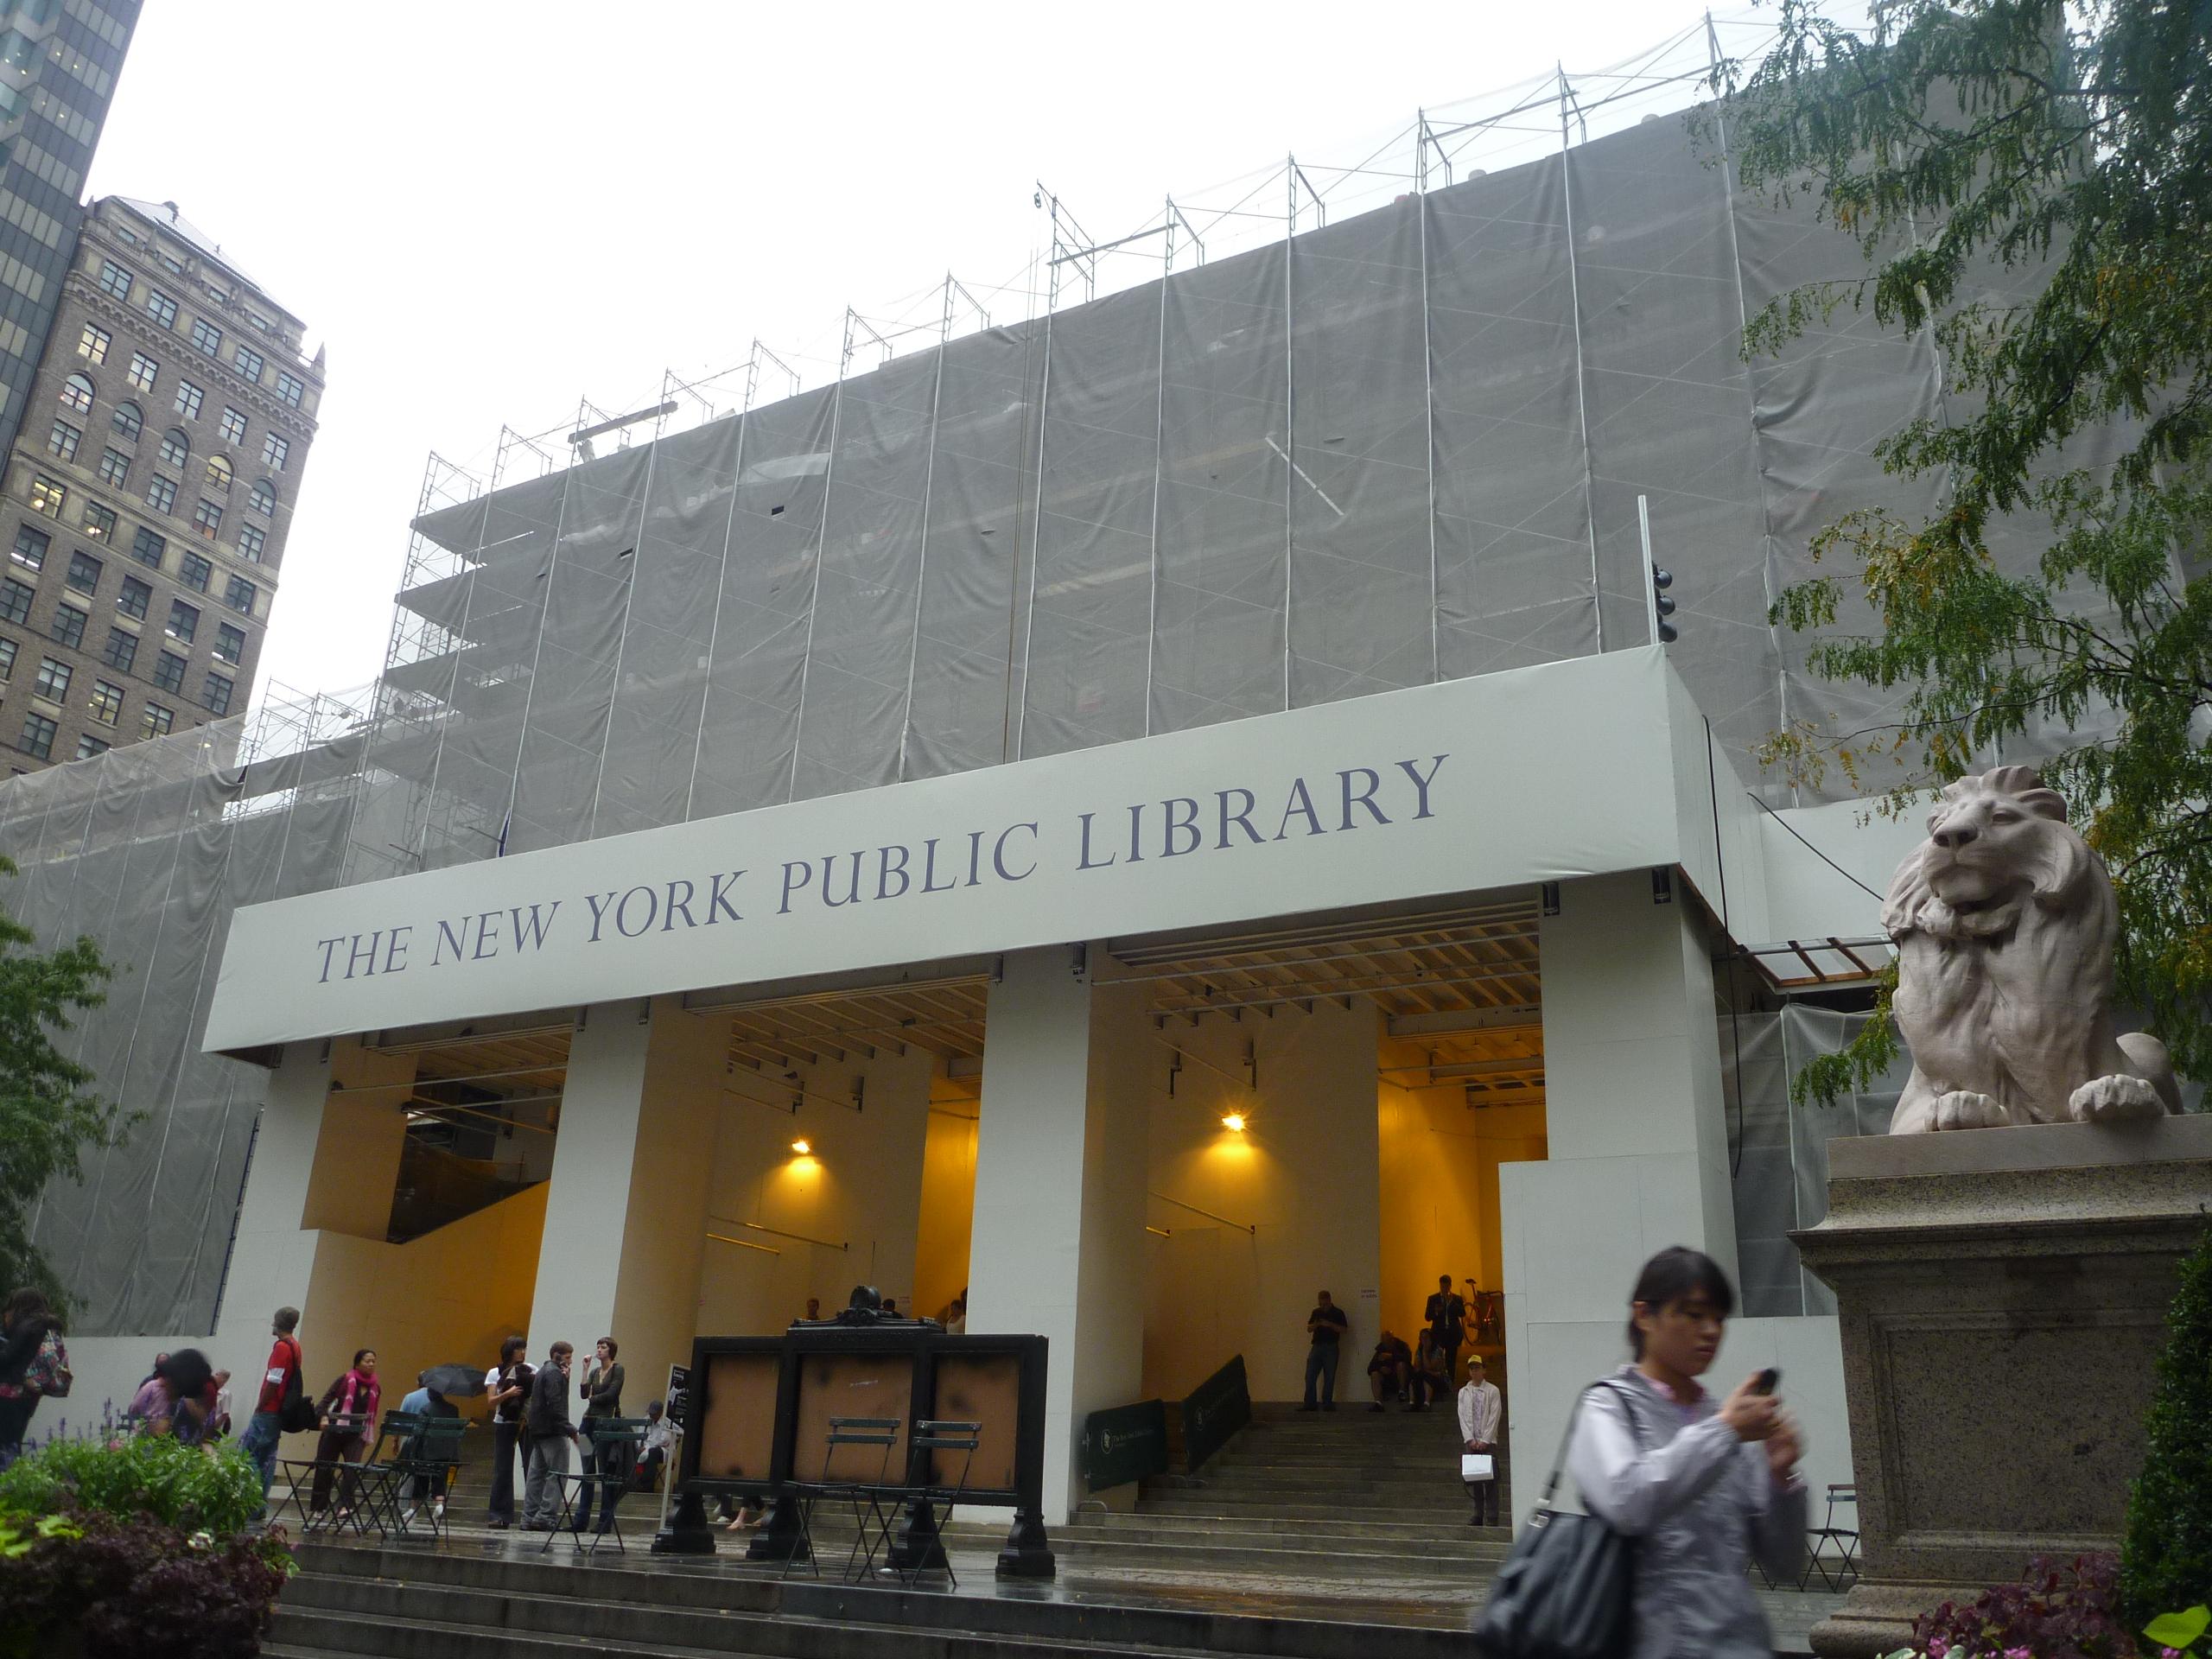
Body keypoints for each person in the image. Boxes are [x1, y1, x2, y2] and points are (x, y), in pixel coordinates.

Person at [1566, 1246, 1808, 1658]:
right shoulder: (1606, 1407)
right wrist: (1725, 1431)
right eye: (1694, 1315)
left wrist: (1781, 1477)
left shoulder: (1723, 1420)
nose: (1711, 1331)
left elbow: (1784, 1564)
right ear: (1644, 1315)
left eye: (1719, 1318)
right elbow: (1627, 1501)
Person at [239, 1306, 302, 1510]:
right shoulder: (295, 1346)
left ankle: (248, 1504)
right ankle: (259, 1505)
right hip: (278, 1412)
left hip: (269, 1410)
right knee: (267, 1459)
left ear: (279, 1323)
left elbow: (274, 1380)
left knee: (250, 1456)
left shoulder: (282, 1347)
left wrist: (260, 1405)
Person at [0, 1289, 67, 1470]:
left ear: (21, 1306)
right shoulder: (47, 1327)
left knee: (5, 1446)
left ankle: (8, 1482)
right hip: (29, 1394)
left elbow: (7, 1358)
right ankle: (15, 1481)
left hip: (10, 1393)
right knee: (13, 1444)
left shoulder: (26, 1327)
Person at [308, 1349, 380, 1519]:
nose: (371, 1364)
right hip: (334, 1431)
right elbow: (324, 1402)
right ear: (357, 1364)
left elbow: (372, 1415)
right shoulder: (345, 1380)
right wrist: (324, 1417)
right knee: (325, 1467)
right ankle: (319, 1507)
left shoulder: (376, 1388)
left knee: (351, 1469)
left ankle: (345, 1505)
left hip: (355, 1435)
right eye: (367, 1361)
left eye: (373, 1361)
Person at [522, 1341, 577, 1532]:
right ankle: (545, 1517)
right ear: (557, 1355)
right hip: (554, 1430)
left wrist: (566, 1381)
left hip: (538, 1430)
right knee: (558, 1474)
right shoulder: (554, 1373)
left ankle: (529, 1517)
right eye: (568, 1357)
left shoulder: (543, 1371)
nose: (570, 1361)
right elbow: (556, 1403)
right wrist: (570, 1429)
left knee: (536, 1475)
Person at [574, 1336, 625, 1534]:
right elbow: (583, 1394)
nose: (599, 1350)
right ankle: (581, 1520)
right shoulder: (595, 1372)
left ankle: (604, 1521)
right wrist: (585, 1370)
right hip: (587, 1424)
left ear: (611, 1350)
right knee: (587, 1470)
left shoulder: (617, 1369)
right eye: (598, 1346)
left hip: (605, 1423)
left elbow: (612, 1394)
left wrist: (593, 1397)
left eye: (603, 1347)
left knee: (604, 1471)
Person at [485, 1335, 533, 1529]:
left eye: (524, 1349)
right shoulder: (495, 1372)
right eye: (519, 1349)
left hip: (525, 1421)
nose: (522, 1352)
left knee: (531, 1466)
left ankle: (531, 1514)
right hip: (504, 1422)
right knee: (502, 1469)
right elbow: (491, 1401)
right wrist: (508, 1394)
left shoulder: (531, 1369)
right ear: (509, 1351)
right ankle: (499, 1514)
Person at [397, 1373, 460, 1522]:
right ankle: (439, 1503)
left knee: (421, 1475)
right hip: (447, 1454)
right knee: (440, 1477)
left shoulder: (426, 1409)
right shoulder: (453, 1409)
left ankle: (413, 1508)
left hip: (426, 1454)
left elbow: (418, 1432)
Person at [127, 1349, 217, 1442]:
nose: (163, 1383)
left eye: (168, 1378)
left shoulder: (197, 1398)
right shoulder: (180, 1398)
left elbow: (206, 1433)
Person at [1459, 1352, 1503, 1525]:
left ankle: (1492, 1515)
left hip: (1488, 1442)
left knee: (1491, 1480)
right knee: (1474, 1478)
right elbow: (1462, 1416)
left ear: (1484, 1370)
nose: (1474, 1371)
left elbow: (1494, 1415)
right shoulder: (1464, 1392)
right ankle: (1477, 1514)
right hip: (1472, 1441)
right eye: (1472, 1368)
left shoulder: (1492, 1391)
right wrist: (1469, 1439)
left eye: (1477, 1368)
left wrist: (1486, 1439)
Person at [1300, 1290, 1349, 1411]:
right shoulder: (1316, 1312)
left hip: (1331, 1347)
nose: (1323, 1306)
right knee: (1310, 1375)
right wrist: (1316, 1325)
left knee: (1329, 1376)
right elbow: (1309, 1329)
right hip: (1317, 1346)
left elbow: (1344, 1329)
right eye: (1321, 1304)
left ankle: (1327, 1403)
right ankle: (1310, 1403)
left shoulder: (1338, 1313)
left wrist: (1330, 1325)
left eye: (1325, 1304)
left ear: (1329, 1300)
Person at [1424, 1274, 1466, 1380]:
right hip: (1439, 1333)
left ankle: (1450, 1381)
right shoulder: (1433, 1299)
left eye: (1446, 1286)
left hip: (1453, 1334)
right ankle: (1438, 1380)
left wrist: (1452, 1302)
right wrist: (1436, 1312)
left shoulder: (1457, 1298)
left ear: (1450, 1286)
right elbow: (1427, 1317)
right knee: (1437, 1357)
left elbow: (1462, 1313)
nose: (1444, 1289)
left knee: (1451, 1359)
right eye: (1442, 1286)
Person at [1364, 1328, 1412, 1412]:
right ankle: (1378, 1402)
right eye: (1384, 1342)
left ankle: (1402, 1392)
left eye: (1388, 1341)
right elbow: (1370, 1367)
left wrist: (1392, 1356)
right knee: (1374, 1374)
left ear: (1392, 1340)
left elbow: (1408, 1358)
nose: (1386, 1344)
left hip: (1401, 1377)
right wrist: (1380, 1368)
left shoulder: (1402, 1346)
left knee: (1401, 1365)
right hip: (1388, 1379)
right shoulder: (1380, 1350)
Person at [636, 1399, 677, 1491]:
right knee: (632, 1449)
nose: (651, 1416)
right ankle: (634, 1483)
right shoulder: (645, 1420)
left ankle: (647, 1486)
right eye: (650, 1413)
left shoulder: (666, 1423)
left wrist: (647, 1446)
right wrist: (639, 1446)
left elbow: (664, 1441)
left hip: (663, 1450)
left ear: (661, 1412)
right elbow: (640, 1436)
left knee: (653, 1452)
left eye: (654, 1414)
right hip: (646, 1448)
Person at [1409, 1331, 1452, 1412]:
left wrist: (1424, 1352)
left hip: (1439, 1379)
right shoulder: (1419, 1351)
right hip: (1425, 1375)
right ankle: (1412, 1403)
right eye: (1422, 1338)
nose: (1424, 1341)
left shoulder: (1438, 1350)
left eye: (1426, 1338)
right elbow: (1417, 1367)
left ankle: (1427, 1403)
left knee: (1427, 1378)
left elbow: (1430, 1367)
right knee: (1414, 1379)